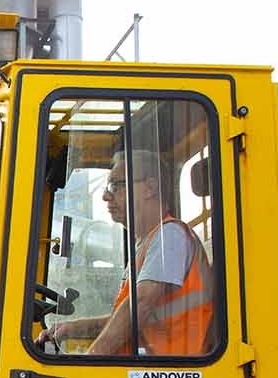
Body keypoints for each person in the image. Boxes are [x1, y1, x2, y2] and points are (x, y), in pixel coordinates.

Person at [40, 150, 214, 356]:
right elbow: (132, 316)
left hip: (177, 373)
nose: (106, 195)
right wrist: (72, 328)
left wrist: (92, 359)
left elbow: (142, 303)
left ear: (149, 188)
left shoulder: (170, 236)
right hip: (160, 369)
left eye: (116, 186)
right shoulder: (148, 243)